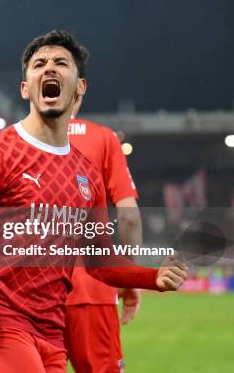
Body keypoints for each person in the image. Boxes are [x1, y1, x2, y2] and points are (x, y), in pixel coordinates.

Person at [0, 30, 188, 373]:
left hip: (50, 334)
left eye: (61, 63)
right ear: (25, 88)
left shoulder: (87, 174)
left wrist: (152, 277)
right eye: (39, 64)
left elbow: (100, 262)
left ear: (79, 87)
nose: (49, 68)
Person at [65, 98, 142, 372]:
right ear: (80, 90)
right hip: (90, 286)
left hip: (30, 293)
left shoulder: (8, 142)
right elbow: (129, 217)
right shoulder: (102, 138)